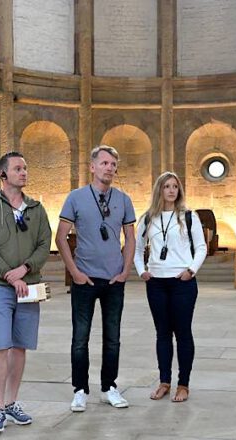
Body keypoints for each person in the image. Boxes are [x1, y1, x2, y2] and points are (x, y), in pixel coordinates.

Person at [55, 145, 136, 412]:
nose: (109, 168)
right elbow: (61, 237)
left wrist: (125, 271)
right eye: (104, 163)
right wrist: (74, 273)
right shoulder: (76, 198)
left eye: (113, 164)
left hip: (114, 280)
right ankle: (80, 390)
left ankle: (109, 387)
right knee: (81, 337)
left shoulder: (123, 199)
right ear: (92, 167)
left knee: (113, 337)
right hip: (85, 279)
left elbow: (131, 237)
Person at [0, 151, 51, 433]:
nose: (24, 172)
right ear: (3, 174)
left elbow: (44, 244)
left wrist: (26, 269)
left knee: (19, 347)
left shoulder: (37, 209)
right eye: (18, 168)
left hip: (29, 286)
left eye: (25, 168)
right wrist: (10, 274)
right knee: (0, 346)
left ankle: (11, 402)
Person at [134, 172, 207, 403]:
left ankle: (183, 384)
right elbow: (136, 249)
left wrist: (191, 270)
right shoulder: (148, 218)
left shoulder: (188, 216)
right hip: (156, 282)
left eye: (175, 186)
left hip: (181, 282)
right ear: (159, 190)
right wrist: (141, 271)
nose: (171, 190)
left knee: (183, 333)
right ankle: (164, 381)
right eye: (167, 186)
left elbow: (202, 247)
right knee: (162, 334)